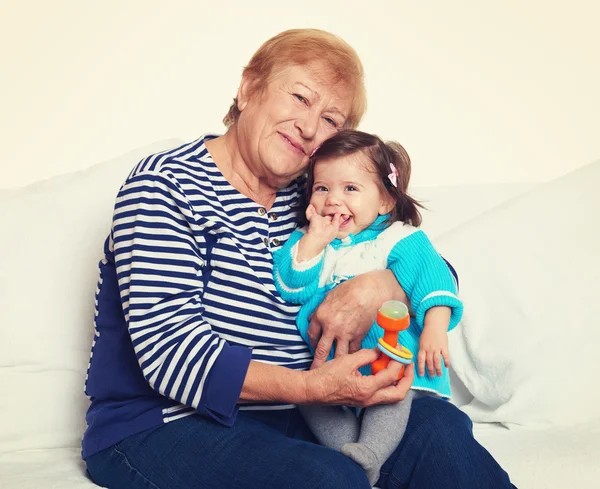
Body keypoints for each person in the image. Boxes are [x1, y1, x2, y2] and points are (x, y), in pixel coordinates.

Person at [82, 28, 517, 489]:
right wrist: (312, 388)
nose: (309, 128)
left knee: (438, 429)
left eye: (331, 119)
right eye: (299, 98)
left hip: (302, 417)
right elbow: (170, 352)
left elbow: (426, 264)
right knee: (330, 479)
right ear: (250, 88)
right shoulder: (165, 186)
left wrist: (378, 287)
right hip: (163, 425)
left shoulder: (315, 195)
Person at [272, 129, 463, 484]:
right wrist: (313, 241)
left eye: (351, 189)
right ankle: (349, 454)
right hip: (325, 370)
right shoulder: (309, 239)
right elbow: (291, 287)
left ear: (385, 201)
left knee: (389, 393)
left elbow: (433, 280)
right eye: (322, 187)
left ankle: (372, 453)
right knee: (309, 399)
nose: (333, 200)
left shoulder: (396, 238)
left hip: (386, 359)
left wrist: (435, 329)